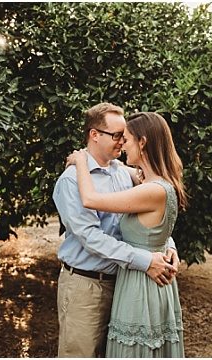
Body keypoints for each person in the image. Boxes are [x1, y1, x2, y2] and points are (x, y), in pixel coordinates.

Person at [52, 103, 179, 357]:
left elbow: (152, 215)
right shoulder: (71, 180)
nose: (122, 142)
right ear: (94, 134)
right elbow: (91, 238)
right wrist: (145, 260)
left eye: (125, 136)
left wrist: (167, 245)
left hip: (124, 285)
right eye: (117, 135)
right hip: (86, 287)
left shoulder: (123, 174)